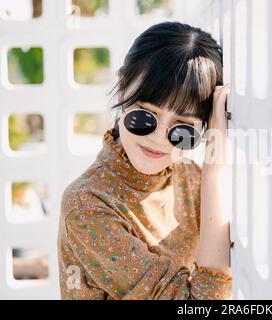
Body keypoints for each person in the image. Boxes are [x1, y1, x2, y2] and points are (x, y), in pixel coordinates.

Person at [57, 21, 233, 300]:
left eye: (182, 129)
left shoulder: (190, 176)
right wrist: (215, 172)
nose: (159, 139)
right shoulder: (87, 204)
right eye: (144, 117)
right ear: (122, 89)